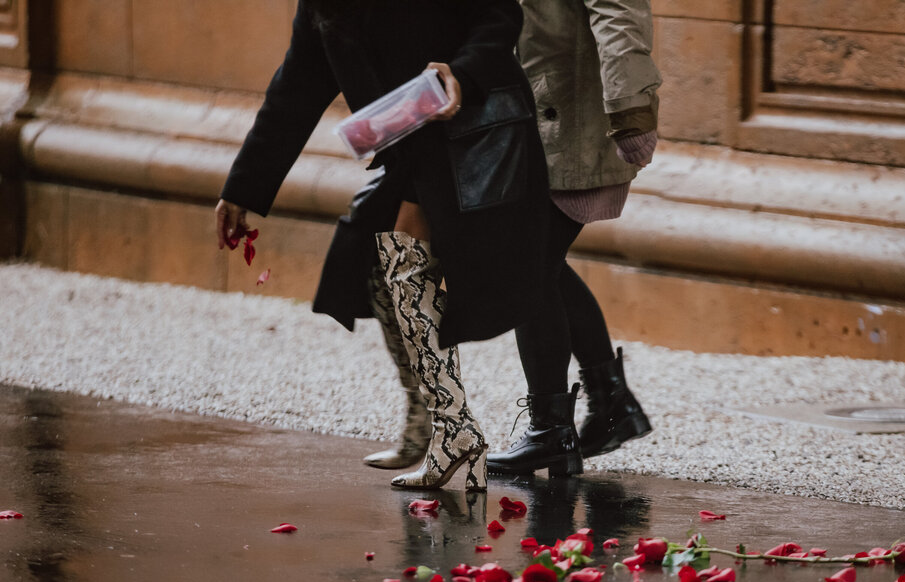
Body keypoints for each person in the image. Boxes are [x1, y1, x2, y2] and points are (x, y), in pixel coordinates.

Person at [215, 0, 549, 493]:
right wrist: (242, 189)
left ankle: (492, 427)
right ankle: (436, 424)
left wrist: (461, 73)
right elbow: (297, 87)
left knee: (508, 269)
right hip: (410, 147)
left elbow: (500, 16)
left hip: (475, 135)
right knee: (379, 264)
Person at [485, 0, 660, 477]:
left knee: (528, 265)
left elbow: (619, 12)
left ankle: (551, 432)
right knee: (538, 262)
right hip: (531, 113)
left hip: (574, 118)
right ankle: (610, 406)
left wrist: (630, 110)